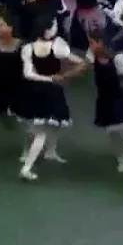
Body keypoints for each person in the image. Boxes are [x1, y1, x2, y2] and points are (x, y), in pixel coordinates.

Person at [12, 16, 86, 181]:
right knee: (42, 132)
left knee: (39, 124)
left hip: (32, 90)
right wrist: (57, 77)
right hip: (50, 92)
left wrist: (62, 75)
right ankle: (27, 167)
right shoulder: (58, 47)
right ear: (48, 30)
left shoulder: (28, 48)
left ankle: (48, 151)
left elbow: (28, 74)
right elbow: (80, 62)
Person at [87, 28, 123, 173]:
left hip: (120, 98)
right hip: (105, 100)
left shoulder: (118, 58)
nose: (91, 46)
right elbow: (84, 66)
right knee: (112, 133)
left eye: (93, 43)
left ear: (102, 43)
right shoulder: (92, 56)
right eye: (90, 43)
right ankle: (121, 157)